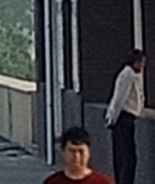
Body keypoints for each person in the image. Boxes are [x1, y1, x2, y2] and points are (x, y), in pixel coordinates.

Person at [105, 49, 146, 184]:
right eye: (141, 62)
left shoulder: (131, 74)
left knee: (122, 154)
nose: (143, 66)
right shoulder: (127, 74)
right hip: (123, 118)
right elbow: (119, 98)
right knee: (127, 155)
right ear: (135, 62)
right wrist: (113, 118)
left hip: (125, 118)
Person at [42, 126, 113, 184]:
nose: (76, 156)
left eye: (81, 151)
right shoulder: (52, 182)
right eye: (72, 151)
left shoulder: (103, 182)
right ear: (63, 152)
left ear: (89, 153)